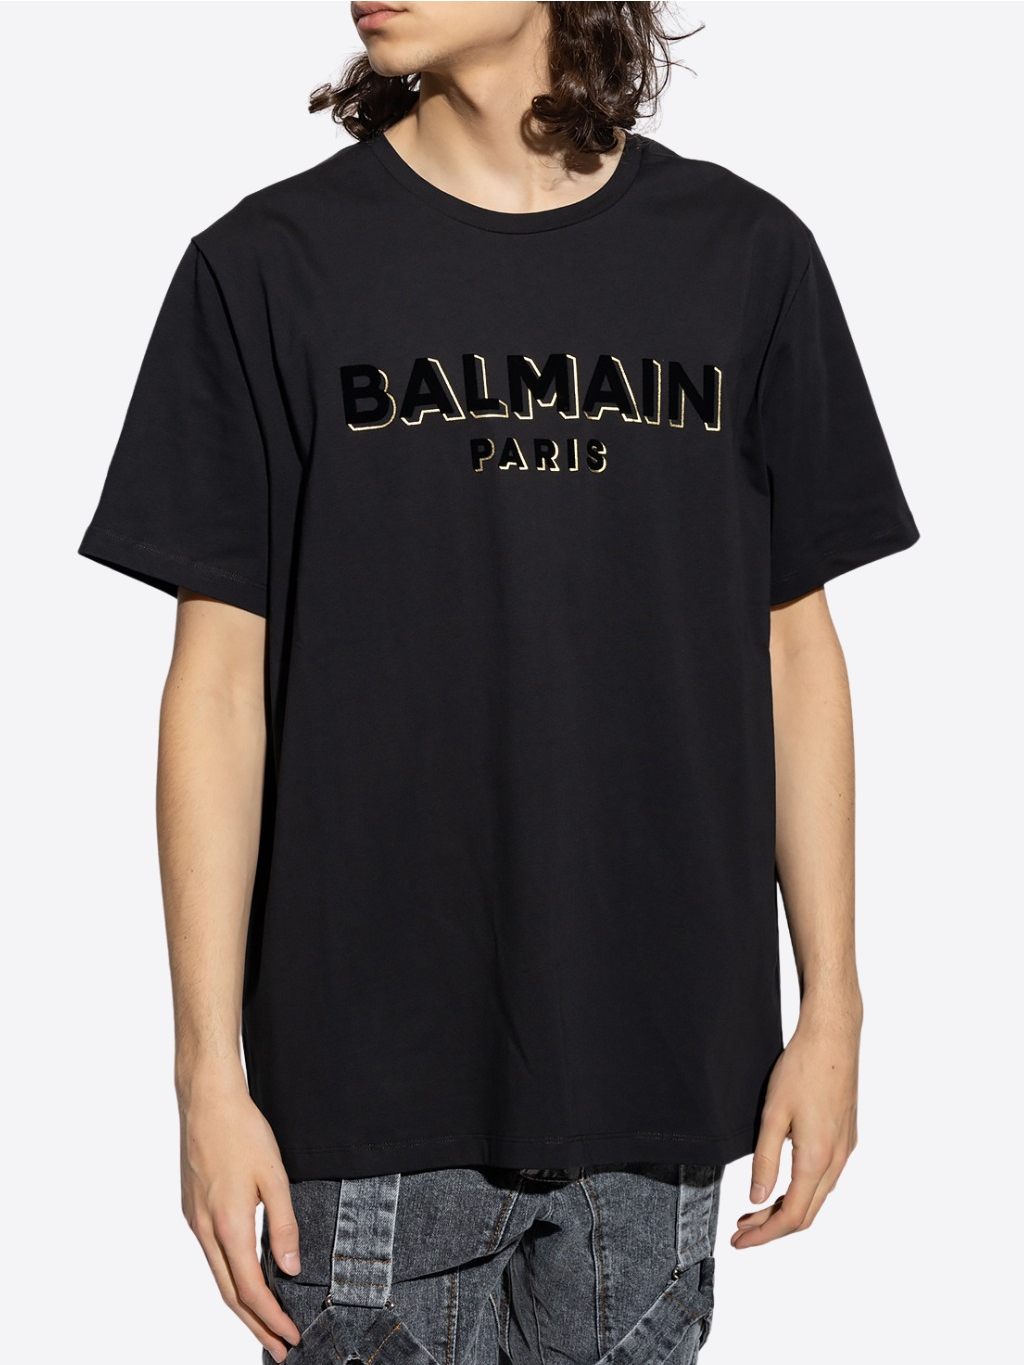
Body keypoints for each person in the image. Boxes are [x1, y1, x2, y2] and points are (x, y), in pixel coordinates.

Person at [76, 4, 920, 1362]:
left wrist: (835, 1004)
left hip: (657, 1094)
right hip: (361, 1109)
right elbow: (217, 688)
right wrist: (204, 1077)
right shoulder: (266, 269)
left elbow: (794, 646)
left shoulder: (744, 256)